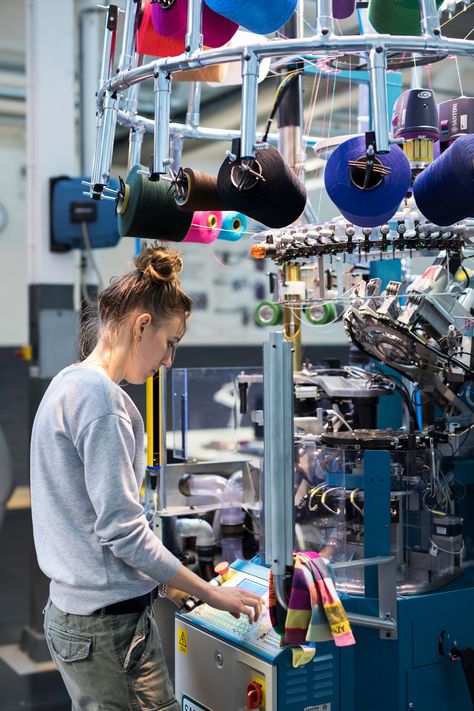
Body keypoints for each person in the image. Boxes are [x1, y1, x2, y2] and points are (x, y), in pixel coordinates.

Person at [30, 244, 262, 711]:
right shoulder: (101, 401)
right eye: (170, 342)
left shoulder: (68, 383)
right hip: (109, 632)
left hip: (75, 617)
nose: (168, 360)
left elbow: (87, 523)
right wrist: (210, 593)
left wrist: (161, 582)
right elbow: (122, 531)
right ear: (141, 326)